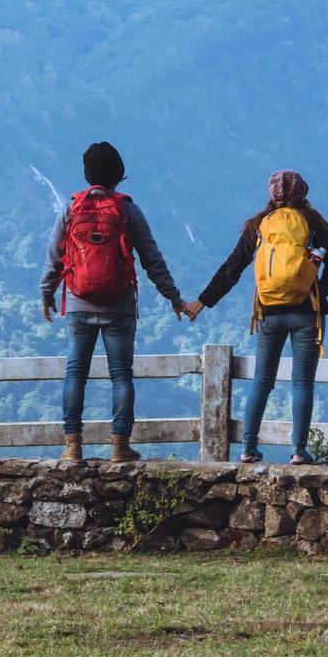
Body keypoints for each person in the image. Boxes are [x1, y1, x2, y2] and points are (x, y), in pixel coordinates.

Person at [41, 140, 194, 465]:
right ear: (119, 175)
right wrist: (174, 298)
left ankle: (72, 447)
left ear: (87, 173)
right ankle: (119, 446)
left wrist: (46, 293)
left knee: (75, 374)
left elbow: (54, 256)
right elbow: (153, 259)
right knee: (121, 375)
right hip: (119, 306)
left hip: (80, 304)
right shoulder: (128, 210)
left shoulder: (71, 209)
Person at [189, 169, 328, 464]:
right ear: (303, 194)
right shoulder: (313, 222)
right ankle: (299, 451)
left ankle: (248, 447)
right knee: (302, 384)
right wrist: (318, 292)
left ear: (271, 195)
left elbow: (233, 267)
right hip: (305, 313)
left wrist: (202, 301)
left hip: (269, 313)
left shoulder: (259, 225)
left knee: (262, 380)